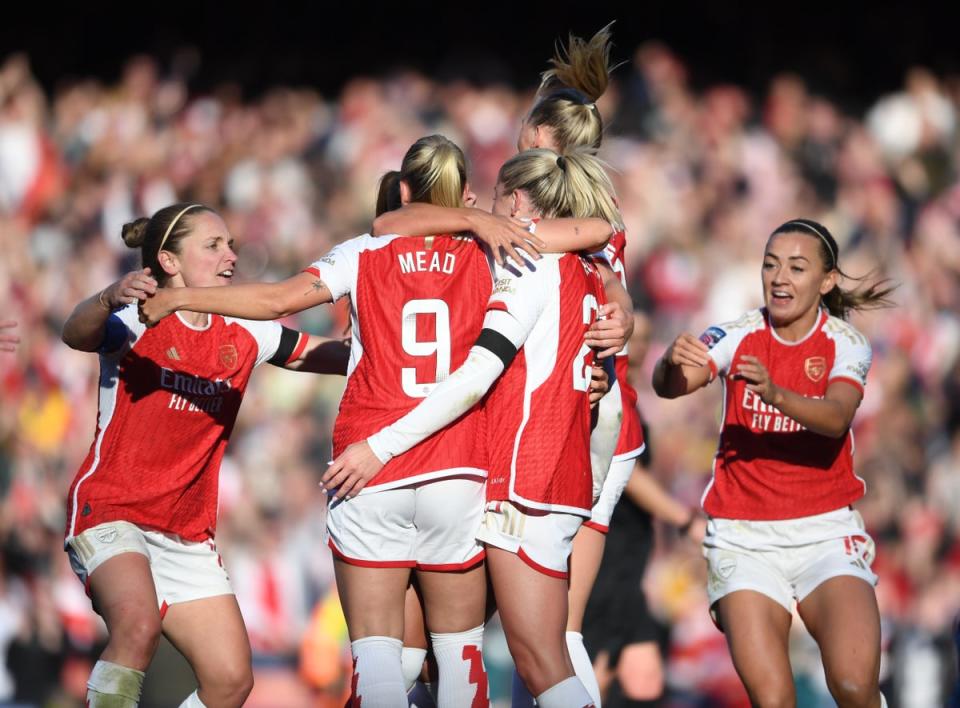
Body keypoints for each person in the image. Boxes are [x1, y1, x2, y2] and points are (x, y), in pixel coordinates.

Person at [138, 138, 619, 708]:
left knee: (381, 663)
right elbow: (596, 232)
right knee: (461, 662)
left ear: (406, 190)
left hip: (367, 472)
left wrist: (182, 298)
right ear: (463, 193)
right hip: (457, 472)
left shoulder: (364, 250)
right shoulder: (496, 250)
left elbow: (278, 301)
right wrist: (621, 314)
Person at [373, 26, 644, 706]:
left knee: (546, 645)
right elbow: (607, 274)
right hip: (564, 423)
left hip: (560, 432)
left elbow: (601, 276)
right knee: (472, 636)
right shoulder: (568, 232)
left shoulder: (540, 245)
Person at [325, 147, 623, 708]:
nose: (482, 216)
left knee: (539, 661)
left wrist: (378, 447)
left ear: (513, 202)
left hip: (520, 476)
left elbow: (477, 376)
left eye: (490, 203)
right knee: (458, 654)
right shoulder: (581, 264)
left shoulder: (524, 263)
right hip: (555, 474)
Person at [61, 203, 349, 708]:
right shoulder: (135, 320)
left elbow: (328, 354)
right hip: (112, 511)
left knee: (232, 680)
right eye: (214, 246)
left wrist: (393, 348)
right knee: (138, 625)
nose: (231, 256)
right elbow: (76, 333)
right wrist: (107, 297)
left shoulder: (246, 330)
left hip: (186, 533)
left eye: (231, 244)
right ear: (170, 262)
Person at [652, 218, 895, 708]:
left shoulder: (846, 343)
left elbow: (836, 417)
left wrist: (776, 393)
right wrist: (668, 363)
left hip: (824, 532)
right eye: (771, 265)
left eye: (797, 267)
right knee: (773, 699)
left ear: (826, 281)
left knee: (853, 687)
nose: (780, 277)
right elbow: (672, 386)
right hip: (744, 539)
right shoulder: (737, 332)